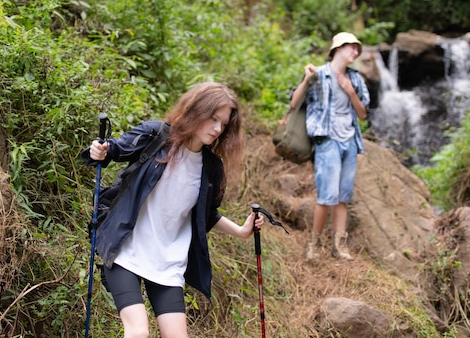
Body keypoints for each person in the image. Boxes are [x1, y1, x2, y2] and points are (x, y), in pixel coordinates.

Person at [82, 81, 265, 338]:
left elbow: (207, 214)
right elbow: (114, 149)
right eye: (213, 119)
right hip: (125, 251)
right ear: (195, 111)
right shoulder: (157, 136)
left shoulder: (211, 168)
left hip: (167, 264)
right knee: (138, 333)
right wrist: (100, 150)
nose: (217, 129)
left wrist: (242, 231)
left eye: (223, 124)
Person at [289, 32, 370, 261]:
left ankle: (339, 246)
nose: (355, 52)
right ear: (337, 49)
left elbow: (363, 114)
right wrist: (306, 79)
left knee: (343, 196)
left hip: (350, 142)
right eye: (351, 47)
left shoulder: (355, 79)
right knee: (326, 196)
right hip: (327, 141)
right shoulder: (319, 75)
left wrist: (350, 91)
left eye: (357, 49)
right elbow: (294, 103)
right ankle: (313, 245)